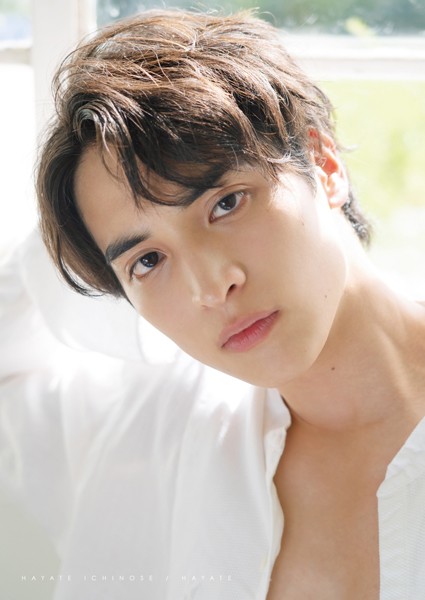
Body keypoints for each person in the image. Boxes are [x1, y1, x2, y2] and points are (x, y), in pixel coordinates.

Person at [2, 8, 425, 600]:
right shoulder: (152, 434)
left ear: (324, 165)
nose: (209, 288)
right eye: (148, 260)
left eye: (225, 203)